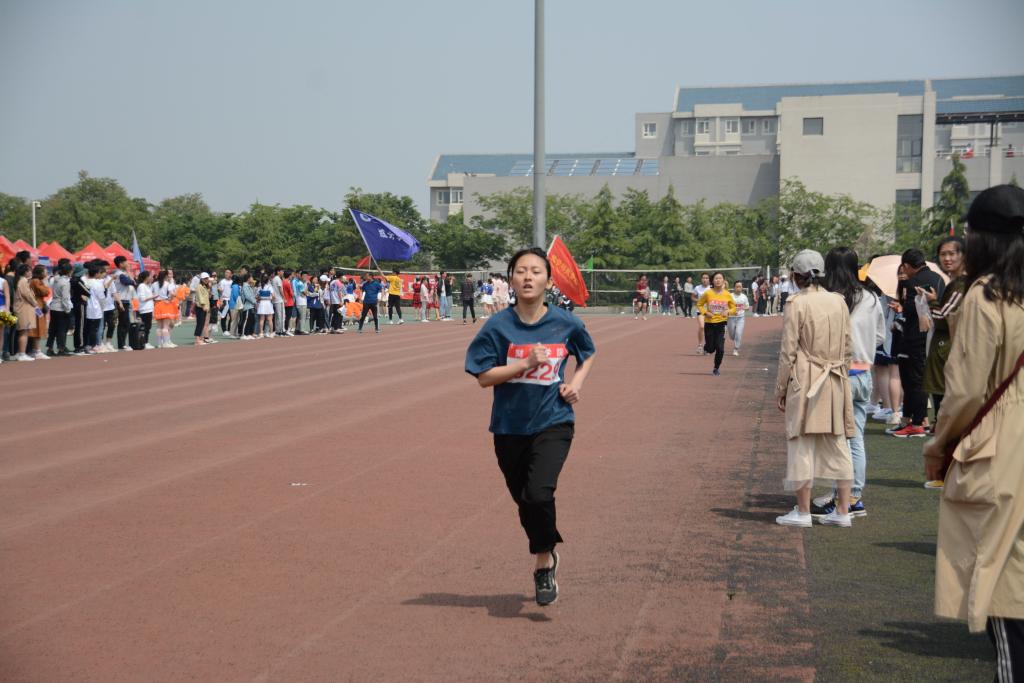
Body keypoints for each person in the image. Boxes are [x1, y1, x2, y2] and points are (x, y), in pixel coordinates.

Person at [922, 184, 1024, 676]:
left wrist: (938, 448)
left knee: (1006, 590)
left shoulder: (987, 295)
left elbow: (964, 393)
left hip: (1002, 450)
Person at [464, 246, 596, 607]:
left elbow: (587, 354)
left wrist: (575, 384)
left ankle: (543, 563)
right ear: (511, 279)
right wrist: (523, 365)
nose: (527, 277)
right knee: (525, 500)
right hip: (509, 428)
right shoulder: (498, 326)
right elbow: (483, 377)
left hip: (554, 421)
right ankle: (546, 547)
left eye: (536, 271)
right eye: (521, 271)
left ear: (549, 281)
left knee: (538, 494)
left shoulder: (566, 323)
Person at [774, 249, 855, 529]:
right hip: (835, 377)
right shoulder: (839, 301)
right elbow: (848, 346)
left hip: (806, 376)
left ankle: (803, 511)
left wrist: (781, 388)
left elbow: (788, 350)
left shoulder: (796, 303)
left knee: (801, 442)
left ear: (796, 276)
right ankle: (843, 510)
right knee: (838, 443)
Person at [814, 247, 885, 519]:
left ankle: (847, 498)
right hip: (863, 373)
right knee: (855, 438)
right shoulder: (870, 297)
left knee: (840, 440)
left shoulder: (831, 297)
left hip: (839, 373)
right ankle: (850, 495)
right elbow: (880, 335)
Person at [890, 249, 945, 438]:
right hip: (936, 335)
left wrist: (901, 309)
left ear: (906, 265)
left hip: (915, 337)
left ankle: (917, 423)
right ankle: (926, 421)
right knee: (930, 380)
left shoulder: (913, 282)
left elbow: (911, 311)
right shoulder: (939, 278)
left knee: (915, 381)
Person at [922, 237, 967, 445]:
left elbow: (944, 318)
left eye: (952, 253)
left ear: (963, 256)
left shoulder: (961, 285)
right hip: (946, 349)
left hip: (948, 350)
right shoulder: (955, 284)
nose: (947, 258)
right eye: (943, 254)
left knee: (945, 405)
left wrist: (932, 303)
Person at [696, 273, 735, 375]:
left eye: (720, 278)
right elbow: (699, 304)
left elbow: (734, 308)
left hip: (722, 324)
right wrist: (705, 313)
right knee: (710, 349)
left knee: (720, 348)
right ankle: (706, 348)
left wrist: (728, 312)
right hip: (709, 323)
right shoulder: (708, 293)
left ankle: (716, 368)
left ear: (723, 281)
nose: (718, 280)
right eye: (716, 278)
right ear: (712, 281)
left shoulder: (727, 294)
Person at [11, 263, 40, 361]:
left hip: (22, 309)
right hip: (24, 310)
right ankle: (22, 353)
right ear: (25, 272)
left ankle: (20, 353)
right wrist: (35, 303)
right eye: (29, 271)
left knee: (22, 332)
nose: (31, 272)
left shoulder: (20, 281)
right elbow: (28, 295)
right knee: (24, 332)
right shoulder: (23, 281)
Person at [46, 261, 73, 356]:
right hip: (61, 308)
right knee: (62, 329)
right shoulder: (65, 283)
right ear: (69, 271)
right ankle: (61, 348)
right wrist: (68, 310)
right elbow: (65, 298)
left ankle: (49, 348)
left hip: (53, 306)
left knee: (53, 329)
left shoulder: (55, 279)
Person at [152, 270, 178, 348]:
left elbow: (152, 294)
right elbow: (172, 294)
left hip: (157, 304)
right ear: (166, 276)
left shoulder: (154, 284)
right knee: (165, 326)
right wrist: (170, 298)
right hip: (165, 304)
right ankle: (166, 343)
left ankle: (160, 343)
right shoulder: (167, 284)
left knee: (159, 327)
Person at [726, 281, 748, 356]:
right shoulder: (730, 296)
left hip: (740, 318)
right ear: (734, 288)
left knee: (738, 333)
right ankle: (735, 338)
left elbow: (747, 307)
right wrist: (731, 311)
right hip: (731, 318)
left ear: (742, 288)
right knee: (732, 336)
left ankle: (736, 349)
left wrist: (743, 308)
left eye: (740, 287)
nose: (738, 288)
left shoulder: (744, 297)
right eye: (737, 287)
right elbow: (725, 306)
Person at [135, 270, 155, 349]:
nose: (152, 278)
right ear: (146, 277)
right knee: (145, 327)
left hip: (148, 309)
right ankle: (144, 342)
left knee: (148, 327)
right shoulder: (141, 286)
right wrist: (153, 297)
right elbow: (142, 298)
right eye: (150, 276)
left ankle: (145, 342)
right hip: (144, 310)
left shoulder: (147, 286)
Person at [692, 273, 710, 353]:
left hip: (710, 311)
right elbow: (693, 297)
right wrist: (698, 300)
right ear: (701, 279)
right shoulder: (697, 288)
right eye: (703, 278)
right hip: (700, 311)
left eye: (706, 278)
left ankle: (708, 346)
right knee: (702, 327)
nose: (705, 279)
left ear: (709, 279)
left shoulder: (712, 288)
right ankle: (700, 345)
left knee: (709, 329)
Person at [193, 272, 212, 346]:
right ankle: (197, 340)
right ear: (201, 279)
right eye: (205, 279)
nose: (207, 280)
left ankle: (200, 339)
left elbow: (207, 297)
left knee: (202, 324)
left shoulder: (204, 286)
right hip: (200, 307)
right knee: (199, 324)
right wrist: (203, 306)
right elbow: (200, 297)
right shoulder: (199, 286)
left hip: (205, 307)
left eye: (207, 278)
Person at [256, 273, 274, 339]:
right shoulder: (270, 287)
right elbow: (273, 296)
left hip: (262, 303)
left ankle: (261, 333)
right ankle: (271, 333)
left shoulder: (259, 287)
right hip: (268, 303)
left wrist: (261, 298)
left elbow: (257, 297)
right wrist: (269, 298)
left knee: (262, 319)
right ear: (267, 279)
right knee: (270, 319)